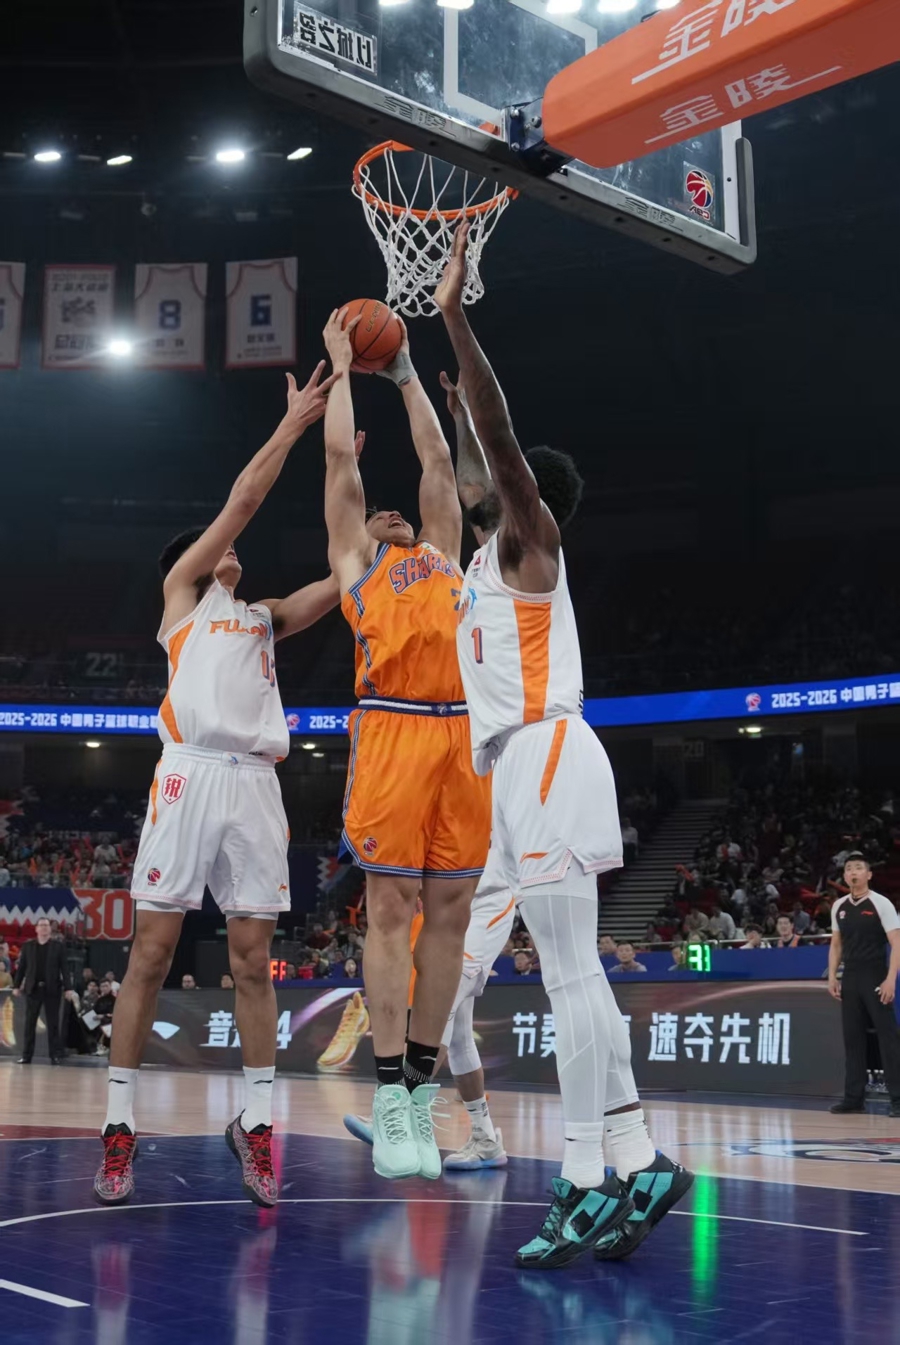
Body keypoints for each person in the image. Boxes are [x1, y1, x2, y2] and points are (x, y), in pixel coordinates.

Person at [437, 223, 692, 1270]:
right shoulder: (484, 559)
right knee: (566, 974)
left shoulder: (532, 546)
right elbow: (474, 466)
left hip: (547, 753)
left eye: (499, 486)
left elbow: (497, 443)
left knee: (573, 977)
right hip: (510, 775)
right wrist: (441, 399)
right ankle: (639, 1156)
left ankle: (583, 1176)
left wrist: (456, 322)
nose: (485, 491)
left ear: (525, 499)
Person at [92, 365, 343, 1210]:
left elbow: (340, 584)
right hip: (189, 774)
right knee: (151, 954)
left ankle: (257, 1124)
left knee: (252, 964)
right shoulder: (182, 602)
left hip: (255, 785)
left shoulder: (262, 616)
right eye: (213, 548)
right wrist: (293, 426)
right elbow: (240, 503)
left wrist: (361, 509)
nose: (229, 547)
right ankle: (119, 1126)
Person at [321, 307, 491, 1183]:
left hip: (463, 731)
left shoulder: (445, 550)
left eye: (404, 513)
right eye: (379, 514)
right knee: (390, 909)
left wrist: (404, 375)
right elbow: (341, 464)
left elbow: (436, 464)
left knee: (450, 916)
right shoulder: (359, 567)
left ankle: (421, 1091)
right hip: (391, 727)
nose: (394, 512)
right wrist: (340, 366)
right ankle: (389, 1089)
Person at [828, 852, 900, 1117]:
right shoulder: (839, 906)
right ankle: (853, 1098)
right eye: (849, 868)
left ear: (868, 874)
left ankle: (898, 1099)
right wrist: (832, 976)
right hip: (851, 976)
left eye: (858, 868)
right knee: (853, 1038)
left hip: (875, 974)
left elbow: (897, 943)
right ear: (845, 876)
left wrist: (890, 979)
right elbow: (836, 944)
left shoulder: (881, 903)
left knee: (888, 1038)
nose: (853, 872)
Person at [12, 916, 76, 1063]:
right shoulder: (28, 946)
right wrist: (16, 985)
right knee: (30, 1024)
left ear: (50, 929)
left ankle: (54, 1055)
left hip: (52, 989)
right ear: (36, 929)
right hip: (33, 989)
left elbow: (64, 968)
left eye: (46, 925)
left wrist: (68, 988)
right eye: (41, 925)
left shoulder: (58, 946)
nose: (44, 928)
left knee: (53, 1024)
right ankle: (26, 1055)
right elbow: (22, 968)